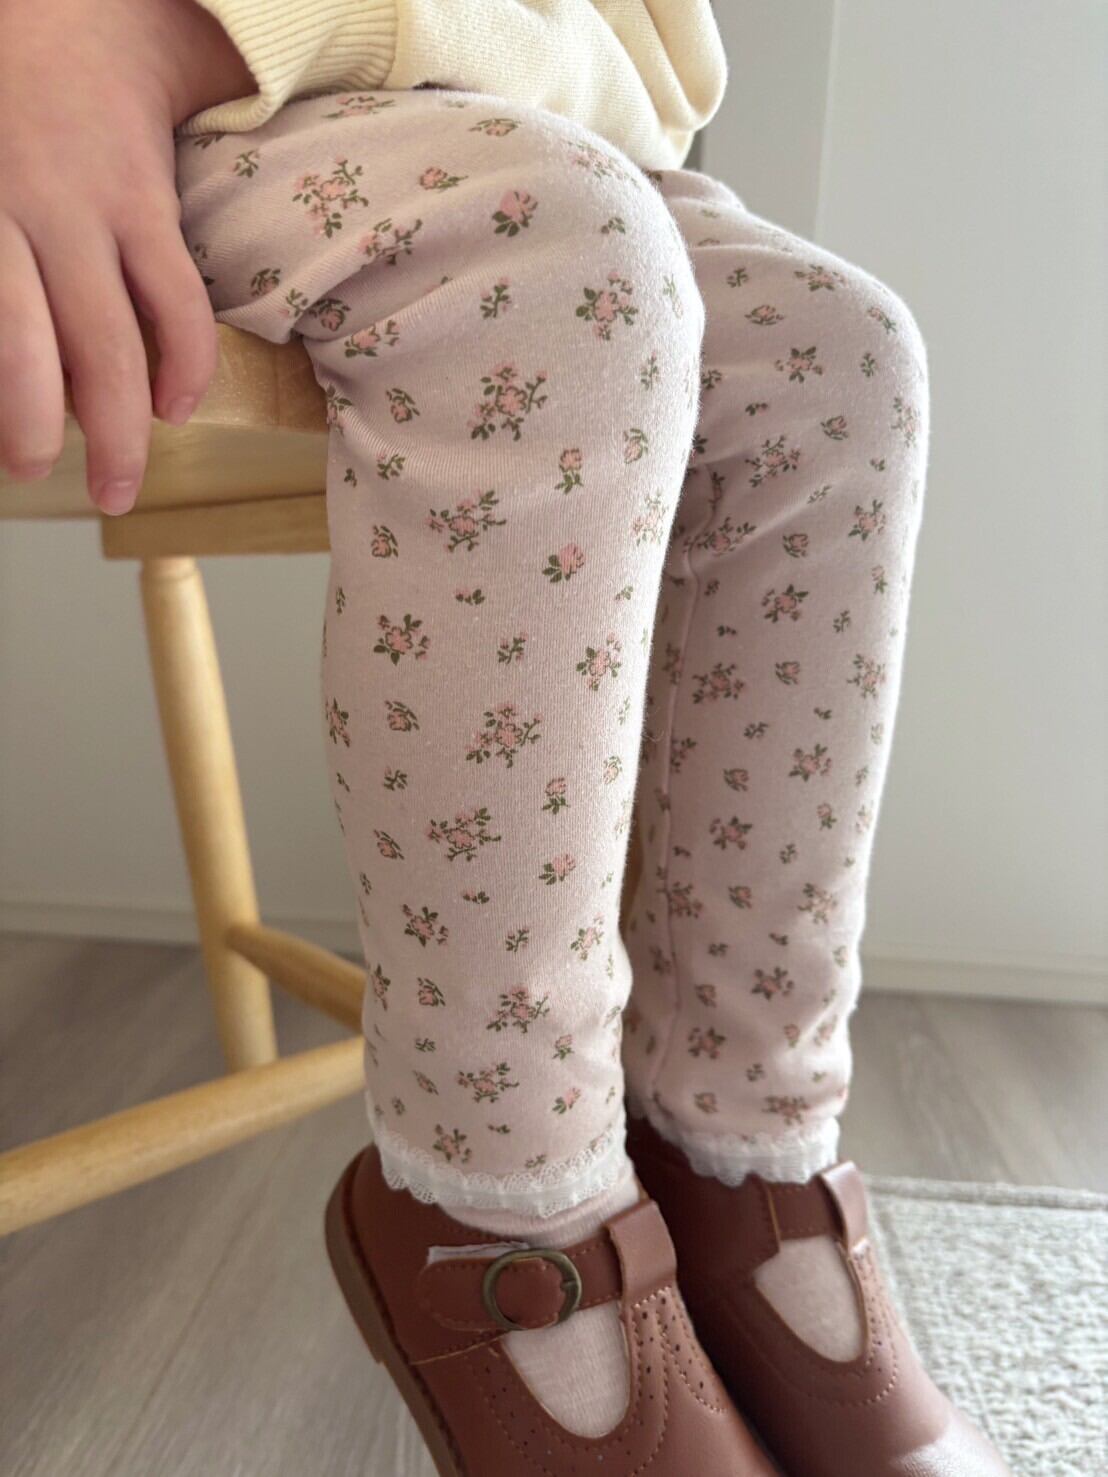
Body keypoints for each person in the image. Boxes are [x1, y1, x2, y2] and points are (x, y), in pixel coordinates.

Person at [0, 2, 1011, 1473]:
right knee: (557, 273)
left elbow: (643, 55)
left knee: (836, 354)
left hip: (454, 99)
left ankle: (745, 1157)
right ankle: (504, 1203)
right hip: (87, 91)